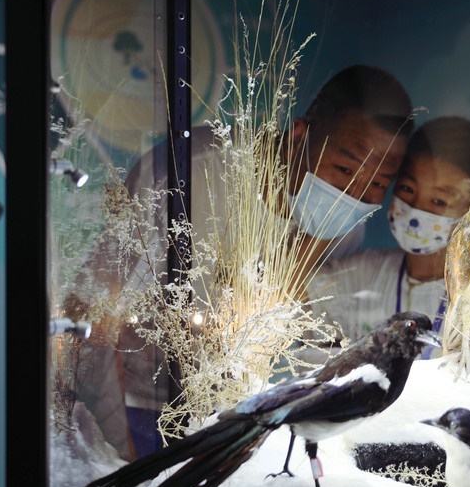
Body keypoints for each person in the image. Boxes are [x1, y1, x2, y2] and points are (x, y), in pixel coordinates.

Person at [69, 65, 414, 459]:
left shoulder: (347, 228)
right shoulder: (188, 174)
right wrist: (117, 450)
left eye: (377, 184)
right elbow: (95, 316)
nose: (353, 194)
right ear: (298, 137)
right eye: (344, 169)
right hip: (134, 405)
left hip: (233, 417)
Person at [306, 116, 470, 355]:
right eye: (408, 189)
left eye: (439, 201)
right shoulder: (360, 275)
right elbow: (288, 294)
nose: (416, 210)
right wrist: (345, 203)